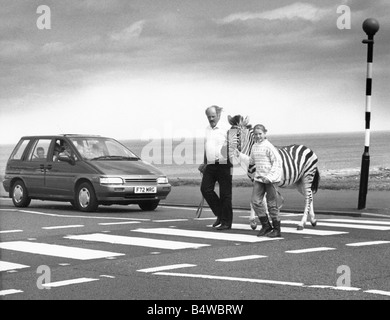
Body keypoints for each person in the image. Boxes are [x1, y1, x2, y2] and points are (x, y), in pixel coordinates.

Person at [234, 124, 283, 237]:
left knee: (272, 204)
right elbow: (251, 160)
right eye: (256, 134)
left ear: (265, 133)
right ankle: (266, 226)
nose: (258, 136)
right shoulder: (255, 146)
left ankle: (276, 229)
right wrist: (240, 155)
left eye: (260, 134)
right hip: (259, 178)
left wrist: (269, 177)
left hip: (271, 180)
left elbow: (278, 162)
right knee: (255, 201)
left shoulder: (269, 146)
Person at [199, 105, 233, 231]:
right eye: (209, 117)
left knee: (225, 194)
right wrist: (204, 163)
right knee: (205, 189)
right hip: (211, 164)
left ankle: (226, 222)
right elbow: (206, 146)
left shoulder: (229, 128)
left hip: (224, 164)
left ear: (218, 115)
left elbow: (235, 146)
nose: (211, 119)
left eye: (213, 116)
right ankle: (220, 214)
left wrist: (227, 157)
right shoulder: (207, 129)